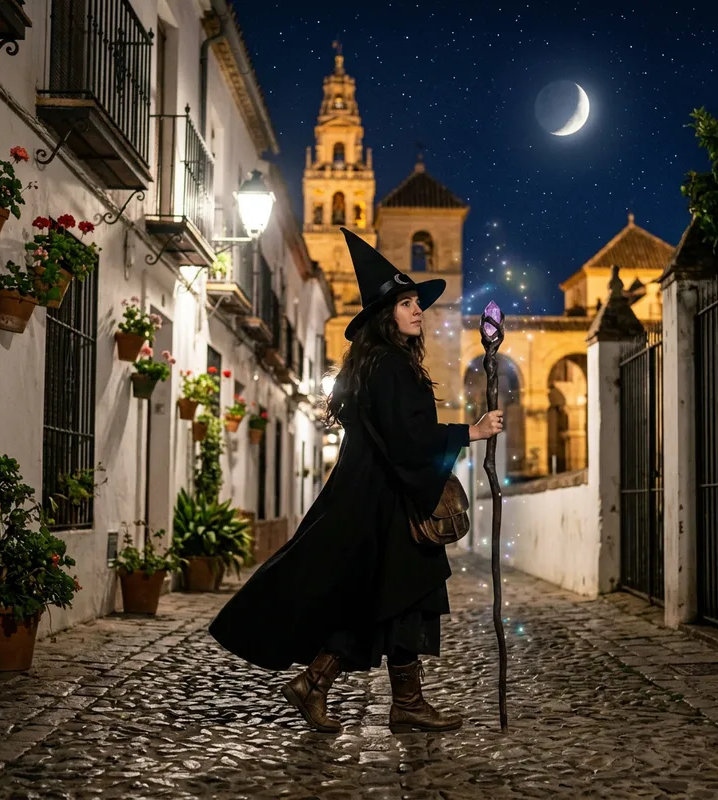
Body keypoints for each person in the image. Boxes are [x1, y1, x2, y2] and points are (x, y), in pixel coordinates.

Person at [208, 228, 503, 734]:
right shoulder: (390, 366)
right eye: (407, 303)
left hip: (377, 502)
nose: (417, 311)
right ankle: (382, 698)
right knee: (401, 597)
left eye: (417, 303)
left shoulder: (382, 364)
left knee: (385, 600)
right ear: (386, 315)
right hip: (386, 507)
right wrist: (470, 431)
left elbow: (400, 435)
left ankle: (327, 686)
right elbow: (407, 437)